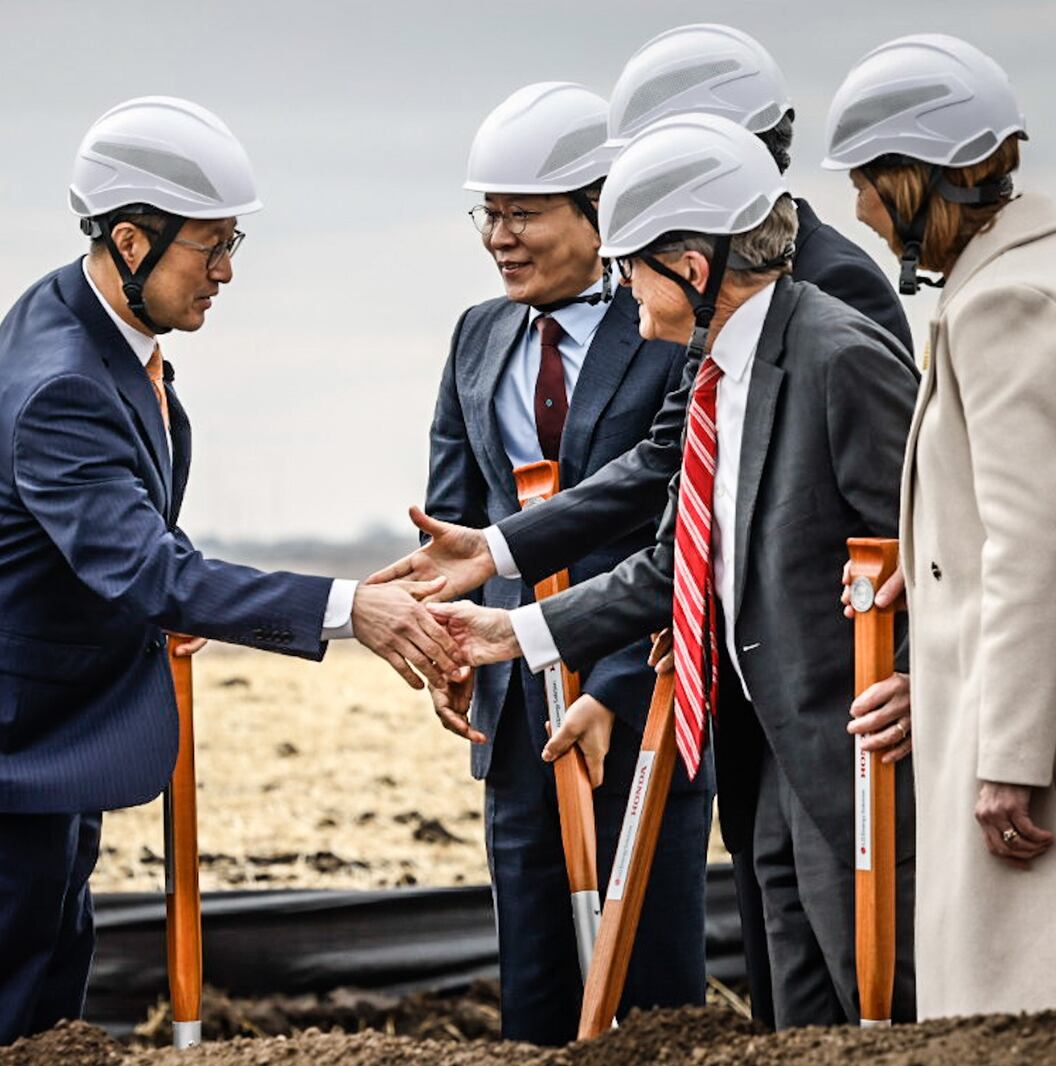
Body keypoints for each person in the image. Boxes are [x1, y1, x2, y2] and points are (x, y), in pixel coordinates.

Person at [0, 96, 460, 1048]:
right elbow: (145, 565)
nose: (227, 271)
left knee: (48, 1011)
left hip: (49, 723)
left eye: (235, 243)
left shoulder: (84, 316)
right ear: (132, 241)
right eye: (211, 245)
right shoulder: (63, 379)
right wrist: (355, 609)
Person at [368, 22, 913, 1025]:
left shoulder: (829, 317)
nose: (621, 292)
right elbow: (671, 501)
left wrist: (920, 673)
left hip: (831, 719)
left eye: (633, 255)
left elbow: (903, 533)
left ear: (697, 247)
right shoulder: (718, 332)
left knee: (861, 989)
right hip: (738, 703)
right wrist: (500, 589)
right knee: (789, 976)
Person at [426, 82, 705, 1044]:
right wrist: (442, 649)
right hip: (514, 709)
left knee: (654, 979)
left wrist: (618, 686)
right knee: (536, 981)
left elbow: (679, 539)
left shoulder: (675, 330)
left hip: (644, 698)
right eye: (489, 213)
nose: (499, 237)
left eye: (523, 214)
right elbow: (457, 522)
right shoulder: (476, 335)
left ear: (601, 209)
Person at [823, 33, 1056, 1019]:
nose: (861, 212)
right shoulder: (1007, 280)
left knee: (1005, 1002)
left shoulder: (1005, 301)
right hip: (987, 699)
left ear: (922, 180)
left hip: (1012, 748)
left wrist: (1009, 752)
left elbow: (1029, 541)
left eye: (871, 183)